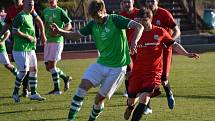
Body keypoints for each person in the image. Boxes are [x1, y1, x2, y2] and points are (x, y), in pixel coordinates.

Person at [50, 0, 144, 120]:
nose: (96, 20)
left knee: (98, 99)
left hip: (117, 68)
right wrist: (59, 31)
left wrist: (134, 41)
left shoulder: (115, 19)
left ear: (103, 10)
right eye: (93, 17)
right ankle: (70, 119)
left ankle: (91, 119)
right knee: (82, 87)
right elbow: (75, 35)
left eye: (98, 16)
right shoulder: (93, 24)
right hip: (101, 63)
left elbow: (139, 26)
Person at [124, 8, 200, 121]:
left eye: (143, 20)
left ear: (150, 19)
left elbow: (174, 45)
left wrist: (187, 54)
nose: (141, 23)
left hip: (153, 74)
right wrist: (128, 68)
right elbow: (128, 55)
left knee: (144, 99)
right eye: (139, 21)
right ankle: (130, 107)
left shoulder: (160, 32)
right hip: (138, 73)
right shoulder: (135, 36)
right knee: (131, 100)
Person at [0, 0, 47, 97]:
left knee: (31, 69)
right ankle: (23, 90)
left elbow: (39, 20)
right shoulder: (12, 10)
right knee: (24, 70)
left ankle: (28, 90)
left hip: (29, 45)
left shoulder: (28, 8)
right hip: (19, 45)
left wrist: (42, 34)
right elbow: (7, 26)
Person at [143, 0, 181, 109]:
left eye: (152, 1)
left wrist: (169, 41)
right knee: (147, 77)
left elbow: (177, 31)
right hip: (150, 50)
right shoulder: (144, 14)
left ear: (157, 1)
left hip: (165, 50)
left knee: (163, 79)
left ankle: (169, 93)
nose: (150, 3)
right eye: (148, 1)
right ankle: (147, 106)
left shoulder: (164, 14)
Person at [43, 0, 72, 95]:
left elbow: (69, 25)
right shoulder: (45, 11)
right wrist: (43, 34)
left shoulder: (60, 11)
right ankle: (65, 78)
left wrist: (60, 31)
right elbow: (45, 24)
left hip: (57, 41)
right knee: (48, 67)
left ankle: (57, 89)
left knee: (52, 65)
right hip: (48, 41)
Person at [119, 0, 139, 97]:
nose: (127, 4)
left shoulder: (139, 13)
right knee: (129, 71)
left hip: (140, 47)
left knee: (139, 71)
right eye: (124, 2)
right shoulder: (120, 16)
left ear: (133, 1)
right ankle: (129, 92)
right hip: (126, 48)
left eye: (128, 1)